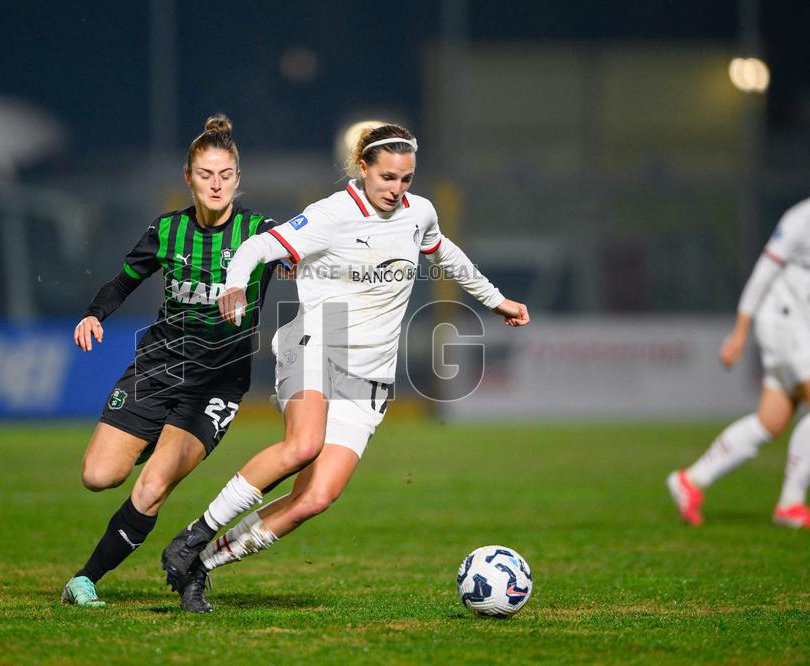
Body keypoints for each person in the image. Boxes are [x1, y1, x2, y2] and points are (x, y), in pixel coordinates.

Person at [158, 123, 531, 613]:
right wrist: (233, 283)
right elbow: (256, 247)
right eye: (388, 178)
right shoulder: (331, 215)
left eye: (406, 179)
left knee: (315, 499)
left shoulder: (419, 214)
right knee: (303, 445)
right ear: (363, 169)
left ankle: (199, 565)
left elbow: (445, 253)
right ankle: (193, 535)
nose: (397, 190)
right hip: (317, 340)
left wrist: (495, 299)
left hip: (370, 374)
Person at [61, 115, 281, 607]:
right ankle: (148, 437)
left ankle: (85, 580)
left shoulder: (261, 234)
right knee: (98, 476)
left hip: (217, 384)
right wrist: (95, 314)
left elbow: (306, 255)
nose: (216, 183)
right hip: (158, 367)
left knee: (152, 486)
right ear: (188, 178)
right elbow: (121, 282)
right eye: (206, 174)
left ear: (238, 178)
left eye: (225, 174)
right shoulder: (166, 231)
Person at [667, 198, 810, 528]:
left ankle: (692, 479)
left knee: (771, 421)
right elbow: (764, 272)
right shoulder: (801, 217)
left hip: (799, 328)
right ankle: (791, 503)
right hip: (786, 325)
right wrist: (740, 332)